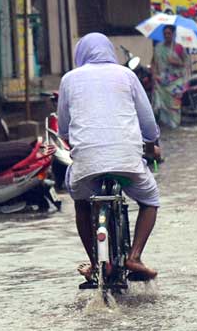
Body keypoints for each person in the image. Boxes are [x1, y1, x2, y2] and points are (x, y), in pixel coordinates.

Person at [58, 33, 161, 281]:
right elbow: (148, 123)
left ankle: (95, 264)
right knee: (150, 200)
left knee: (82, 203)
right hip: (127, 162)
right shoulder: (127, 75)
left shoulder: (69, 79)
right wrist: (153, 142)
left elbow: (63, 128)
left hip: (87, 165)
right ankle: (135, 257)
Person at [150, 25, 191, 129]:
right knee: (161, 104)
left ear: (173, 34)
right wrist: (154, 75)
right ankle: (164, 124)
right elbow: (154, 62)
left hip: (176, 82)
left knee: (174, 105)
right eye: (165, 34)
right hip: (161, 81)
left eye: (169, 33)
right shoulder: (158, 47)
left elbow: (186, 64)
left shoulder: (178, 48)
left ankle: (174, 124)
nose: (166, 35)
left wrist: (176, 62)